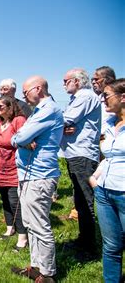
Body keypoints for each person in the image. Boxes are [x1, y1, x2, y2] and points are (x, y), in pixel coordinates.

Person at [11, 76, 63, 282]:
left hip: (39, 175)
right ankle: (35, 266)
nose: (23, 96)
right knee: (30, 223)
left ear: (38, 89)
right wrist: (20, 138)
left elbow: (19, 138)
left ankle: (48, 274)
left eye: (25, 92)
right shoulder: (38, 111)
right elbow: (18, 137)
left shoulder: (49, 110)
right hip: (28, 174)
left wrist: (20, 139)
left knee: (40, 225)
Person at [60, 68, 101, 258]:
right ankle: (83, 240)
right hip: (75, 153)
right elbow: (65, 122)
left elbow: (66, 119)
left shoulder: (85, 96)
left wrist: (60, 124)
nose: (63, 84)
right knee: (80, 200)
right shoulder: (76, 98)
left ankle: (90, 247)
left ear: (77, 81)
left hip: (82, 154)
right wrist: (63, 127)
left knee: (85, 200)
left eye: (66, 80)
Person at [89, 78, 125, 283]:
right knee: (111, 245)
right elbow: (109, 156)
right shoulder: (110, 125)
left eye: (106, 96)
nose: (103, 100)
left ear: (123, 97)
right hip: (104, 191)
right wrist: (95, 178)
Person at [0, 78, 32, 202]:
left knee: (12, 193)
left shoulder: (22, 106)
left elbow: (27, 129)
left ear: (13, 90)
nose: (2, 92)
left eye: (5, 89)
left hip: (13, 153)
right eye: (1, 89)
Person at [0, 96, 27, 250]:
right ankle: (9, 227)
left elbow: (24, 141)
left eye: (0, 106)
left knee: (14, 201)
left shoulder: (18, 121)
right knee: (4, 199)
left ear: (11, 107)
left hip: (12, 167)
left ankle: (23, 237)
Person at [92, 66, 116, 136]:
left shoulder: (118, 97)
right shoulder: (97, 98)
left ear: (108, 79)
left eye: (96, 79)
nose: (93, 82)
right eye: (93, 79)